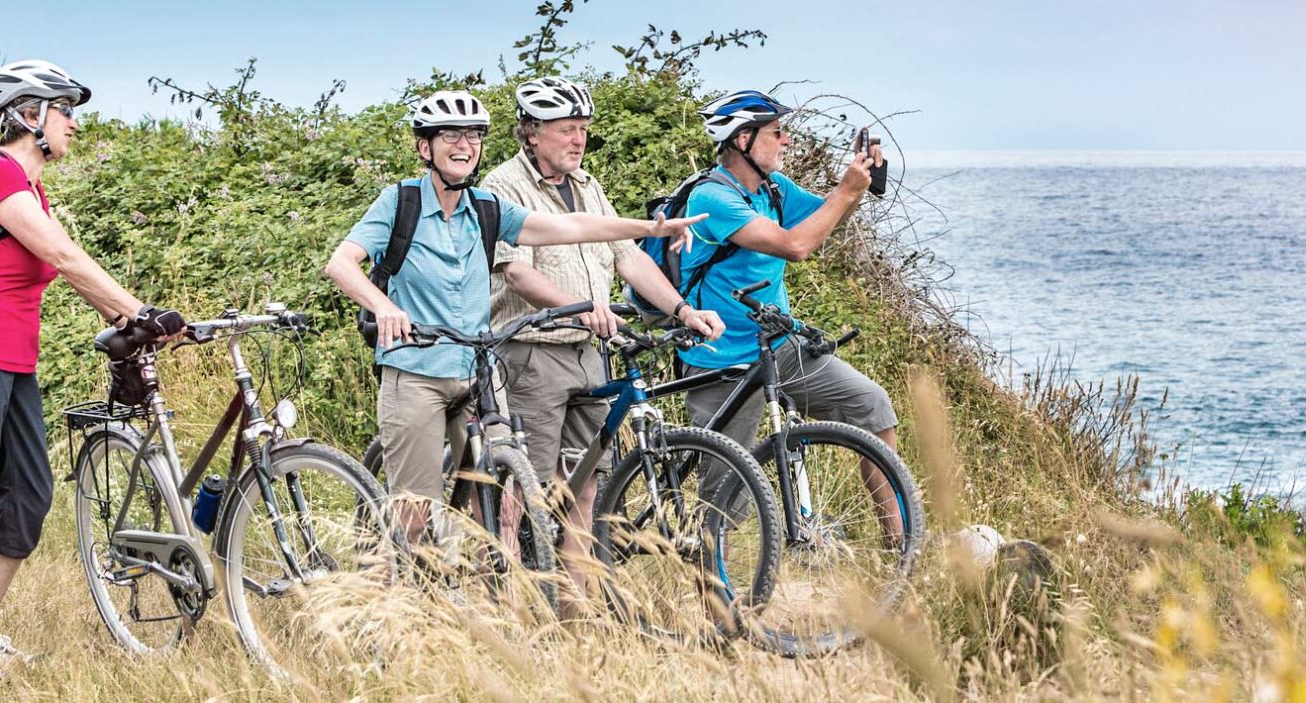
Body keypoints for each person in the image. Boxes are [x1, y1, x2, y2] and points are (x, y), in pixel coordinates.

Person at [321, 89, 702, 544]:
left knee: (494, 501)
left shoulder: (485, 208)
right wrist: (383, 306)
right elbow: (341, 264)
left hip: (477, 372)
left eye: (473, 137)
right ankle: (386, 598)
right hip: (416, 371)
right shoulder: (399, 203)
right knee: (416, 515)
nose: (464, 146)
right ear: (426, 147)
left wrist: (652, 228)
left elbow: (568, 227)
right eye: (451, 136)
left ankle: (496, 603)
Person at [0, 60, 187, 683]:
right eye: (65, 110)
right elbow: (62, 256)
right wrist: (137, 310)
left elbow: (73, 264)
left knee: (29, 498)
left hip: (12, 361)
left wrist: (141, 322)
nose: (74, 124)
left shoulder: (29, 188)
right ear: (29, 115)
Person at [483, 76, 724, 566]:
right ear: (531, 132)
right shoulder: (502, 186)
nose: (578, 140)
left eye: (584, 129)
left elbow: (629, 258)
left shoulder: (588, 186)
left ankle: (578, 612)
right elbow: (516, 272)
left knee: (587, 486)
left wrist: (682, 309)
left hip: (590, 353)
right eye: (567, 129)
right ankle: (505, 606)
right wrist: (578, 305)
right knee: (520, 491)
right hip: (531, 353)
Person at [677, 89, 902, 534]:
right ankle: (715, 595)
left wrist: (862, 182)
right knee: (725, 503)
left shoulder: (774, 190)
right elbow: (795, 246)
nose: (787, 141)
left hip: (777, 346)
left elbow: (822, 218)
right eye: (777, 132)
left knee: (873, 409)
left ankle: (903, 544)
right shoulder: (712, 199)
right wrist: (846, 190)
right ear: (743, 140)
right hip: (723, 361)